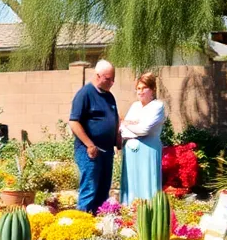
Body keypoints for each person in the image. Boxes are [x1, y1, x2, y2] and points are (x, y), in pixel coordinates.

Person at [69, 60, 119, 213]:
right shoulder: (85, 94)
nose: (112, 82)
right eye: (108, 79)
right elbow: (74, 122)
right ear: (98, 76)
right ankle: (82, 222)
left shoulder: (109, 96)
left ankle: (97, 225)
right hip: (89, 151)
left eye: (113, 79)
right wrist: (89, 144)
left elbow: (115, 119)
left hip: (107, 151)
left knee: (103, 189)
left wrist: (117, 139)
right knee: (90, 188)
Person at [119, 72, 166, 203]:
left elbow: (144, 130)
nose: (140, 92)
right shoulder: (134, 106)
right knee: (130, 186)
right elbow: (122, 129)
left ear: (153, 90)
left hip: (148, 151)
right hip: (130, 153)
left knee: (147, 184)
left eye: (144, 88)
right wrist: (129, 125)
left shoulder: (157, 106)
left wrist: (128, 124)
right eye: (138, 88)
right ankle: (128, 215)